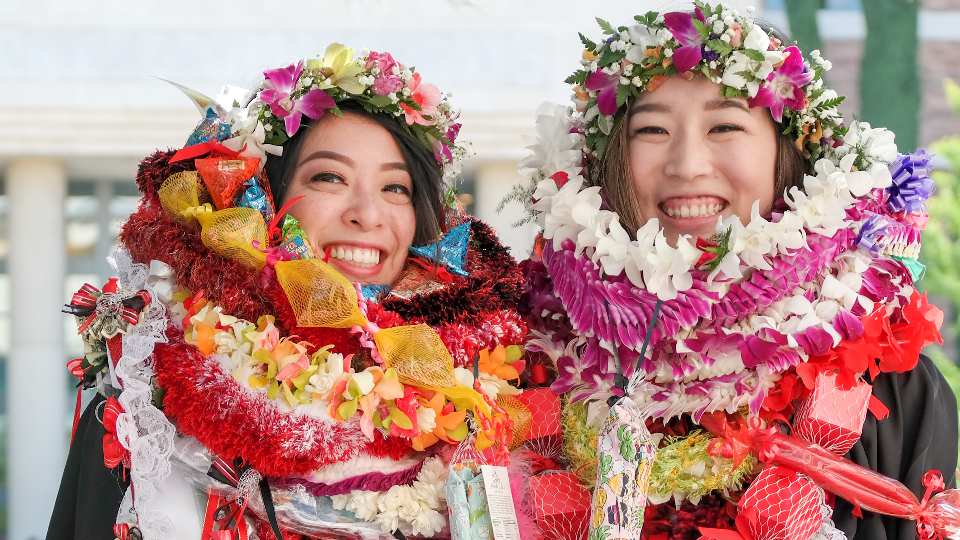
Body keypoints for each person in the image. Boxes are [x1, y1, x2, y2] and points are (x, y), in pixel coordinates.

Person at [47, 43, 528, 540]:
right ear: (266, 197)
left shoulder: (481, 395)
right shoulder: (149, 402)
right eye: (330, 177)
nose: (368, 213)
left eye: (395, 187)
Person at [517, 4, 958, 540]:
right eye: (652, 129)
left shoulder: (886, 385)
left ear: (790, 154)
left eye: (724, 125)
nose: (687, 164)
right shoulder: (535, 362)